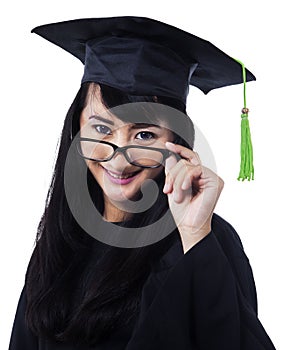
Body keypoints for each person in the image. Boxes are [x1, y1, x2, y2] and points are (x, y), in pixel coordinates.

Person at [8, 16, 276, 349]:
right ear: (77, 131)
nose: (119, 159)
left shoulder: (206, 239)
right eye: (102, 129)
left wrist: (193, 234)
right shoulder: (61, 240)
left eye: (145, 134)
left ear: (175, 143)